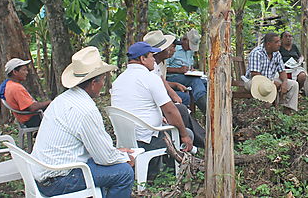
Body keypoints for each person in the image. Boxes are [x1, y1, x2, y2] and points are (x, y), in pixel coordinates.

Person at [31, 47, 134, 197]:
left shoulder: (62, 99)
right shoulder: (86, 110)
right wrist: (125, 158)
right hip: (59, 180)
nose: (104, 83)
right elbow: (104, 157)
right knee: (124, 172)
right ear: (94, 83)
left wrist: (117, 153)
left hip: (43, 173)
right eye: (104, 79)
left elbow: (98, 150)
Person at [111, 42, 195, 179]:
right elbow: (170, 111)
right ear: (143, 59)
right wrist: (184, 134)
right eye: (151, 56)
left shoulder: (119, 80)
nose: (154, 60)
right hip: (146, 140)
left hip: (125, 139)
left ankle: (151, 171)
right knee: (188, 134)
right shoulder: (150, 78)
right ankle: (172, 174)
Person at [245, 32, 298, 113]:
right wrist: (272, 82)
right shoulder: (257, 53)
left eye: (279, 41)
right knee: (266, 86)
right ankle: (263, 111)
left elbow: (282, 71)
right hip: (254, 81)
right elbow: (255, 75)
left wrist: (284, 81)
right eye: (276, 42)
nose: (279, 44)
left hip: (270, 79)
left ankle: (287, 112)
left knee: (294, 84)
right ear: (269, 44)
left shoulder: (277, 53)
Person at [0, 58, 51, 127]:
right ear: (15, 72)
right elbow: (32, 107)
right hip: (31, 119)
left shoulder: (9, 84)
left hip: (27, 118)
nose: (26, 72)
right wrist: (50, 102)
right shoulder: (16, 88)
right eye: (24, 70)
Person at [165, 33, 207, 112]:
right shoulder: (173, 49)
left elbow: (189, 65)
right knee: (195, 81)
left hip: (186, 76)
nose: (190, 49)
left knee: (206, 82)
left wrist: (192, 70)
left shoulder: (190, 51)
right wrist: (178, 70)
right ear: (184, 41)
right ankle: (205, 109)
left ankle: (213, 106)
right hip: (173, 76)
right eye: (189, 46)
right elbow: (163, 68)